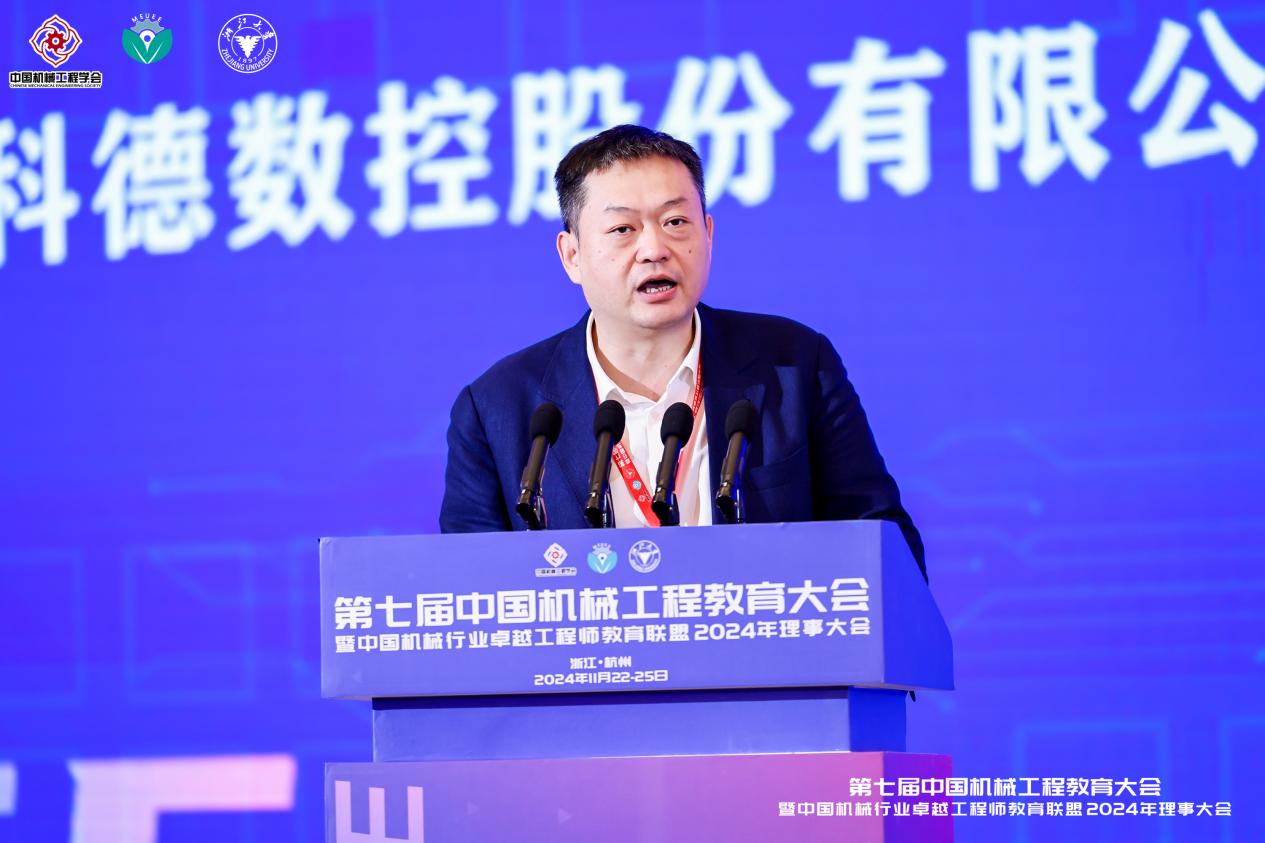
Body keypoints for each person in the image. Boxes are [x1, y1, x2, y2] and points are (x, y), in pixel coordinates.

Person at [440, 124, 926, 579]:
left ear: (708, 235)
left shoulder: (795, 366)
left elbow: (885, 550)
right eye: (623, 229)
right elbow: (469, 591)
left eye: (675, 221)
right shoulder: (498, 408)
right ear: (572, 256)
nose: (654, 248)